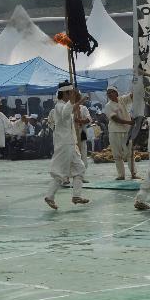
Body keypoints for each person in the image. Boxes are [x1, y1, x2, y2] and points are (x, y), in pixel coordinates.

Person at [44, 82, 89, 210]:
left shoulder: (64, 105)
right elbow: (65, 114)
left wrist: (77, 101)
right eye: (70, 93)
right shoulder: (59, 106)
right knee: (60, 172)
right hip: (64, 143)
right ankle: (50, 196)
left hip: (70, 142)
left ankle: (76, 196)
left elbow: (69, 111)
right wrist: (78, 101)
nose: (72, 95)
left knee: (80, 169)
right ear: (65, 93)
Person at [104, 86, 137, 180]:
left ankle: (133, 173)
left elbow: (132, 96)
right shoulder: (108, 105)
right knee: (117, 154)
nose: (110, 94)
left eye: (112, 92)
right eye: (108, 93)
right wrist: (129, 122)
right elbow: (115, 119)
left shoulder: (122, 99)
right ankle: (121, 175)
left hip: (126, 130)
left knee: (130, 153)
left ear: (116, 93)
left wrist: (138, 86)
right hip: (115, 131)